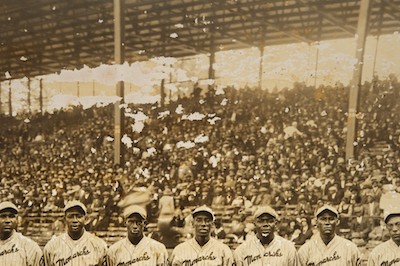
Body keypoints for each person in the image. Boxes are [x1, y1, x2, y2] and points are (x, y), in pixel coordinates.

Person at [43, 200, 107, 266]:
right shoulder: (51, 247)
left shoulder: (99, 245)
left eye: (79, 216)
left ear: (86, 219)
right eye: (70, 216)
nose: (75, 220)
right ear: (65, 219)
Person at [233, 205, 299, 265]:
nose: (265, 224)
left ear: (275, 224)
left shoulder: (288, 248)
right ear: (254, 224)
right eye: (260, 221)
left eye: (270, 221)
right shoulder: (242, 250)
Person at [0, 201, 44, 265]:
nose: (7, 220)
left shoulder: (29, 246)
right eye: (3, 216)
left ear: (17, 219)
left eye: (11, 216)